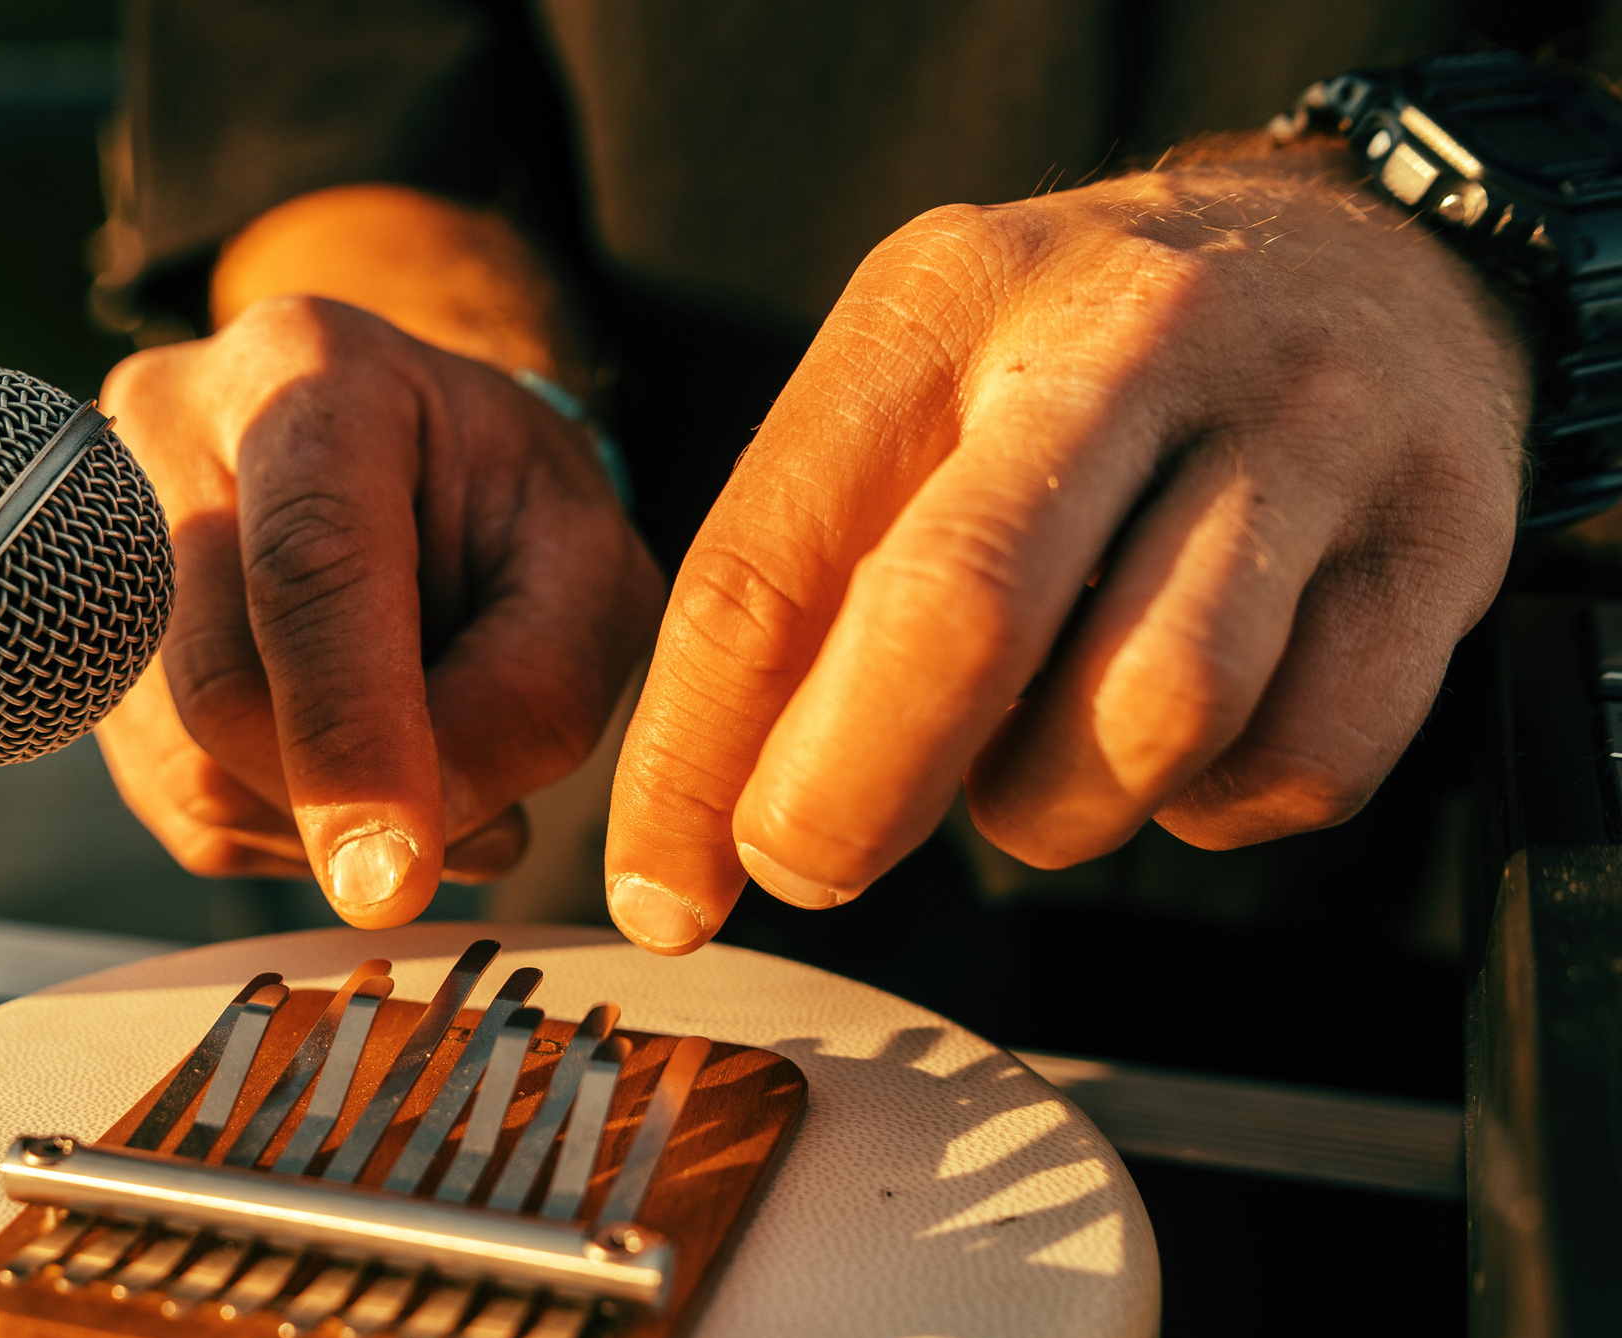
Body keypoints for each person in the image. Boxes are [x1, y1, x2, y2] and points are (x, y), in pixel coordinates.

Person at [83, 1, 1588, 1088]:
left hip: (1480, 908)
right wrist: (441, 395)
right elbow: (328, 94)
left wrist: (1449, 235)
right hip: (663, 883)